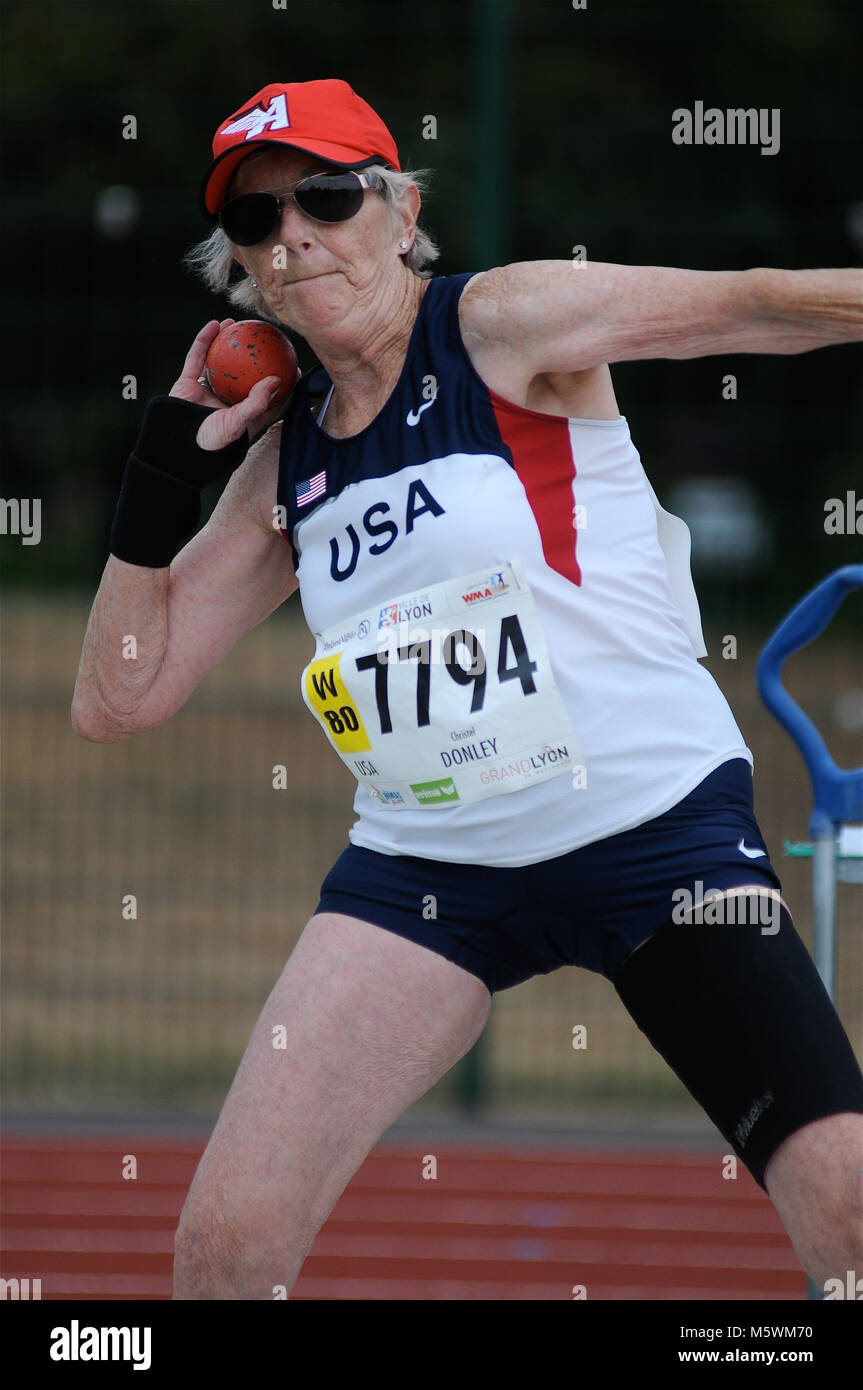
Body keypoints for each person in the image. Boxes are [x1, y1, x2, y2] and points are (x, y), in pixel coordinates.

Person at [71, 78, 863, 1301]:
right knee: (224, 1253)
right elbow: (118, 700)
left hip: (651, 827)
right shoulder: (287, 461)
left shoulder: (497, 324)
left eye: (325, 197)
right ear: (240, 267)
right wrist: (156, 482)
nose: (293, 235)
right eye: (255, 219)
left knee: (846, 1211)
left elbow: (750, 305)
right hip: (427, 869)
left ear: (401, 210)